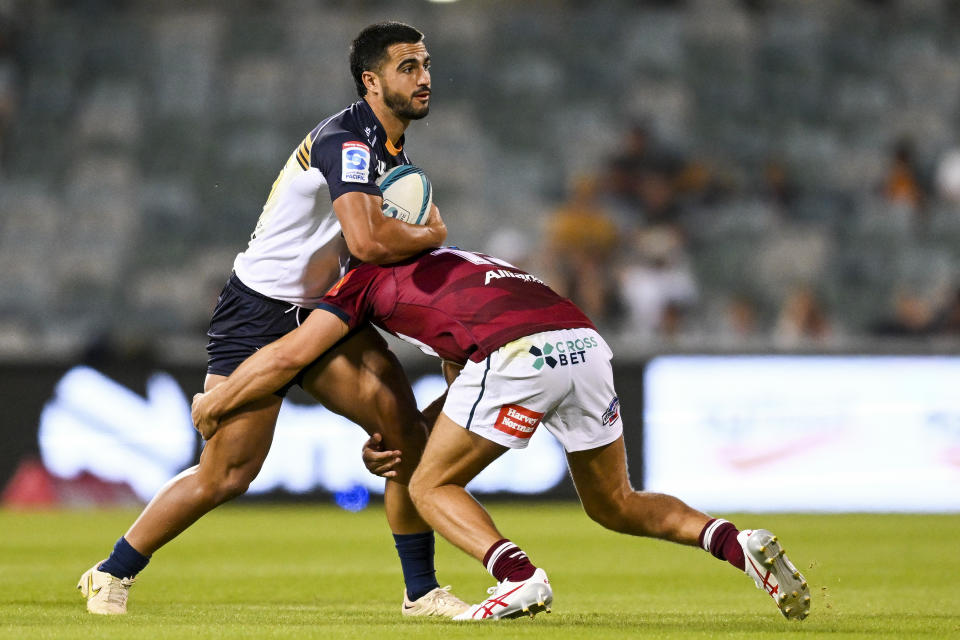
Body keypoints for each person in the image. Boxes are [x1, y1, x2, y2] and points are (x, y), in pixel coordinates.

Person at [77, 22, 469, 618]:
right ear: (372, 81)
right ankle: (112, 572)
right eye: (407, 67)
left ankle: (422, 592)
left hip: (324, 311)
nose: (423, 78)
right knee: (227, 474)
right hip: (256, 313)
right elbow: (366, 242)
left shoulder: (389, 151)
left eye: (425, 65)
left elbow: (372, 248)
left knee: (406, 437)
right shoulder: (349, 143)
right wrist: (433, 231)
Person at [191, 246, 812, 622]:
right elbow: (465, 376)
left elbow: (283, 357)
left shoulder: (362, 278)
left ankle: (515, 576)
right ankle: (732, 540)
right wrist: (415, 429)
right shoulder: (461, 259)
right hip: (584, 344)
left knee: (430, 484)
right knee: (614, 502)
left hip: (521, 356)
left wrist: (220, 401)